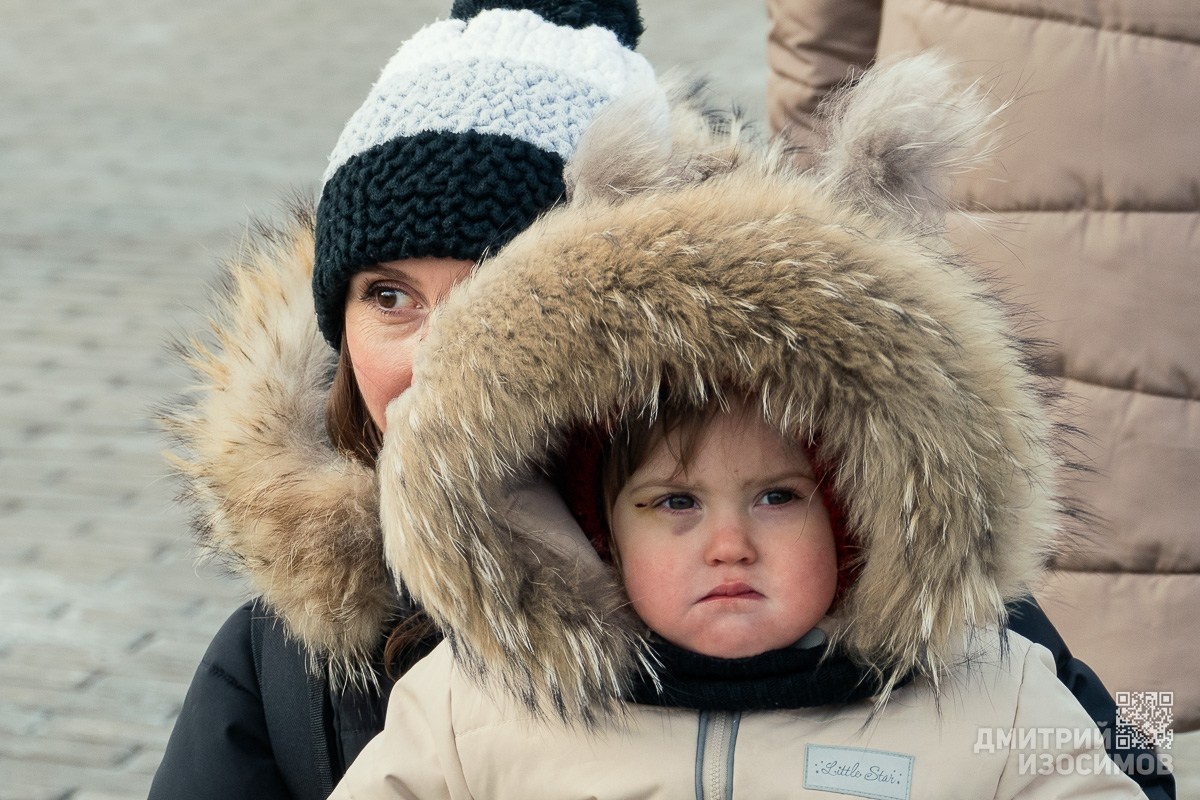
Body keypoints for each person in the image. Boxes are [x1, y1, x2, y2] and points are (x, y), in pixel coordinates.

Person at [149, 4, 1158, 798]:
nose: (434, 359)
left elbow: (1128, 759)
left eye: (494, 297)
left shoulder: (920, 602)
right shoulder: (287, 658)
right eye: (387, 297)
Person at [767, 3, 1195, 795]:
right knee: (1105, 687)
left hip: (950, 221)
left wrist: (818, 209)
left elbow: (819, 37)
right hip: (956, 224)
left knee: (1019, 636)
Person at [332, 393, 1140, 797]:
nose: (729, 544)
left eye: (778, 497)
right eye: (675, 503)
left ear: (852, 521)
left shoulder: (995, 693)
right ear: (604, 537)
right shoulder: (476, 701)